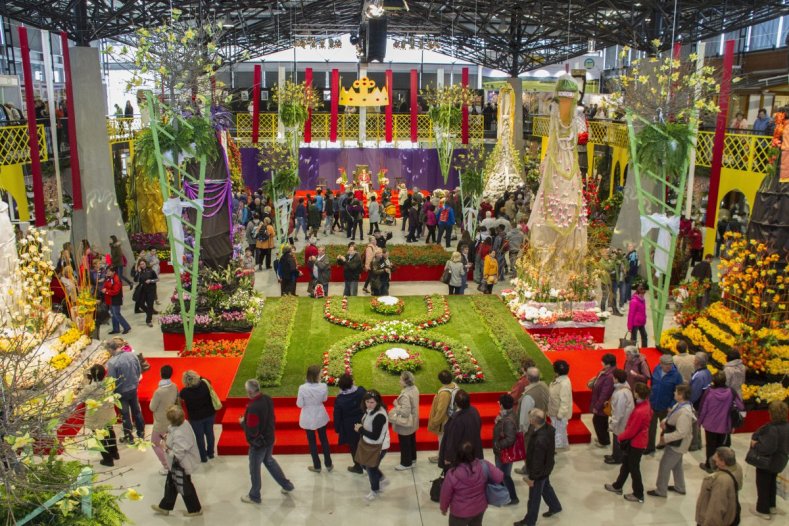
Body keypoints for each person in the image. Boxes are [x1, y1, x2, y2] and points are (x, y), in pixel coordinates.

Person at [240, 379, 295, 504]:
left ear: (249, 391)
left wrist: (243, 423)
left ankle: (254, 495)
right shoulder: (267, 399)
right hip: (269, 438)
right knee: (269, 461)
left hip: (258, 444)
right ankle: (287, 485)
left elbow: (252, 431)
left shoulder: (253, 407)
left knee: (254, 468)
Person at [604, 382, 653, 504]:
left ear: (637, 393)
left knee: (633, 468)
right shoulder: (646, 405)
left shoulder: (640, 411)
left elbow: (632, 430)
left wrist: (620, 437)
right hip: (638, 441)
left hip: (636, 443)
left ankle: (638, 494)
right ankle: (617, 486)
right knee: (626, 465)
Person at [150, 405, 203, 517]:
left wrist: (165, 447)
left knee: (185, 487)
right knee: (171, 484)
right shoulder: (184, 423)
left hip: (181, 465)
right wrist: (167, 436)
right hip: (176, 466)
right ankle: (165, 507)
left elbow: (178, 454)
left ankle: (195, 510)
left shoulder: (180, 435)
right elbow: (173, 433)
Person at [513, 409, 562, 526]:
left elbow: (537, 462)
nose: (529, 419)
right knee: (546, 487)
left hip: (539, 472)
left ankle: (529, 521)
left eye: (530, 418)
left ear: (534, 421)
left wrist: (532, 478)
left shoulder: (540, 439)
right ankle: (555, 506)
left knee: (534, 498)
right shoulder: (547, 428)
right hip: (547, 467)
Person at [441, 441, 505, 525]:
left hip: (459, 512)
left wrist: (443, 508)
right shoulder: (484, 465)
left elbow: (445, 494)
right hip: (479, 508)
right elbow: (499, 477)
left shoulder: (452, 473)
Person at [647, 383, 695, 498]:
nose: (674, 393)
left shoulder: (685, 413)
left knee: (665, 465)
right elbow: (671, 415)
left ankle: (661, 490)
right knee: (677, 465)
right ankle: (680, 486)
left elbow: (681, 432)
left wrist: (665, 438)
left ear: (681, 395)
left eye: (676, 392)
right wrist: (664, 421)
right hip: (675, 443)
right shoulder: (680, 405)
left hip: (677, 444)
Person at [749, 400, 789, 519]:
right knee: (772, 483)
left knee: (763, 485)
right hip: (780, 460)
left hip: (767, 462)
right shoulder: (787, 427)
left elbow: (767, 448)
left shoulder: (771, 429)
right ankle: (772, 505)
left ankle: (762, 510)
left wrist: (755, 444)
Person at [698, 372, 744, 473]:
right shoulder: (731, 392)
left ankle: (709, 466)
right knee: (722, 447)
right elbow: (741, 406)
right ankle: (722, 466)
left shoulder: (708, 392)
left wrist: (699, 423)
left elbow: (703, 409)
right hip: (724, 425)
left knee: (710, 446)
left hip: (710, 425)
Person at [353, 389, 391, 501]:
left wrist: (360, 429)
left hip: (378, 446)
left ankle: (375, 490)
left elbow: (375, 436)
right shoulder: (370, 410)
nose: (369, 404)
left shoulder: (380, 415)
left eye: (372, 402)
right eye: (367, 402)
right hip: (368, 443)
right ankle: (381, 478)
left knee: (370, 468)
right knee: (363, 464)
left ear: (378, 402)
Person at [106, 339, 144, 442]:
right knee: (137, 411)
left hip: (121, 392)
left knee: (125, 414)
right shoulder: (132, 355)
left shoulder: (112, 363)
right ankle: (141, 433)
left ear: (111, 349)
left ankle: (129, 436)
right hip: (133, 388)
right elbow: (139, 370)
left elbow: (111, 381)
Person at [81, 364, 119, 467]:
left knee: (100, 437)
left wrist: (85, 380)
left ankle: (107, 459)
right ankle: (114, 453)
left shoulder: (89, 388)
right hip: (108, 413)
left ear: (92, 376)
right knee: (110, 432)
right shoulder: (109, 385)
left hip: (96, 417)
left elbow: (81, 398)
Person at [297, 365, 333, 472]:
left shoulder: (302, 388)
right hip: (319, 414)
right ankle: (329, 464)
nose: (322, 375)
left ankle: (317, 466)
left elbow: (299, 404)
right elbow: (325, 399)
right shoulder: (323, 386)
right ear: (316, 375)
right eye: (320, 373)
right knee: (324, 440)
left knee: (312, 442)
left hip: (308, 416)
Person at [695, 447, 743, 526]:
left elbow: (716, 509)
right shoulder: (737, 467)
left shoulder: (720, 481)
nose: (714, 459)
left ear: (722, 462)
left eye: (716, 457)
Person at [646, 354, 684, 454]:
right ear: (661, 364)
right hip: (653, 404)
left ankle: (663, 443)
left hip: (666, 407)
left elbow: (679, 392)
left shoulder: (676, 376)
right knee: (650, 427)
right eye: (666, 365)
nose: (668, 367)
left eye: (670, 364)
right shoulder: (656, 369)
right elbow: (653, 383)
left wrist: (671, 405)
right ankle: (649, 447)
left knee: (665, 427)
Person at [179, 370, 217, 464]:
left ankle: (203, 456)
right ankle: (211, 453)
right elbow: (205, 378)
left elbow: (180, 401)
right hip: (209, 414)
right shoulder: (204, 384)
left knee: (199, 437)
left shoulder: (184, 392)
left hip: (195, 418)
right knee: (210, 433)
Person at [439, 390, 483, 468]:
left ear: (456, 403)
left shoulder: (457, 419)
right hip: (473, 451)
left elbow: (452, 440)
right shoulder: (474, 410)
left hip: (461, 456)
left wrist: (448, 458)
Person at [333, 373, 367, 473]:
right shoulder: (361, 391)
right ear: (352, 382)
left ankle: (358, 466)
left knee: (353, 446)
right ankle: (366, 464)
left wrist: (337, 428)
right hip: (362, 421)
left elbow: (337, 415)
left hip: (349, 427)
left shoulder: (340, 399)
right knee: (364, 443)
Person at [149, 365, 179, 475]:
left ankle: (166, 466)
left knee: (154, 443)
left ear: (161, 374)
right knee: (168, 443)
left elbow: (152, 408)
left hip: (161, 422)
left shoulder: (158, 392)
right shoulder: (174, 386)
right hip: (172, 419)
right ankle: (173, 462)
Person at [493, 394, 519, 505]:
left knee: (504, 475)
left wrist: (498, 445)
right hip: (504, 451)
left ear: (502, 405)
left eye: (499, 403)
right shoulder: (510, 414)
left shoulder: (508, 420)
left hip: (503, 451)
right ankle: (505, 494)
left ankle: (513, 498)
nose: (498, 404)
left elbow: (510, 439)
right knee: (503, 474)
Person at [390, 371, 420, 470]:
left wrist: (396, 405)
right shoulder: (415, 389)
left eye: (401, 379)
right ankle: (413, 459)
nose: (399, 381)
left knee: (405, 443)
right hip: (413, 420)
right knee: (411, 440)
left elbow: (405, 412)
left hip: (406, 424)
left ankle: (406, 463)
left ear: (406, 381)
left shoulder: (405, 395)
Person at [428, 370, 459, 464]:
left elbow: (441, 410)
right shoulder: (455, 386)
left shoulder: (444, 393)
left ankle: (441, 457)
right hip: (452, 417)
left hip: (445, 421)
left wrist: (434, 422)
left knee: (442, 440)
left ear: (441, 380)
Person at [606, 369, 635, 465]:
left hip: (621, 421)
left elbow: (619, 411)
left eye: (613, 378)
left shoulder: (621, 393)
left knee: (618, 439)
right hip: (623, 420)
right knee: (617, 438)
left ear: (617, 379)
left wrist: (612, 424)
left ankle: (617, 458)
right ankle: (615, 455)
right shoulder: (623, 388)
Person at [589, 353, 617, 448]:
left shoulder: (609, 376)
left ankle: (604, 441)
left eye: (603, 362)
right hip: (600, 401)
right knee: (602, 421)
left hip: (602, 404)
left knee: (598, 421)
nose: (601, 363)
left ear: (608, 364)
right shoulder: (606, 372)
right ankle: (604, 438)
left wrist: (597, 406)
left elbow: (604, 394)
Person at [689, 352, 713, 451]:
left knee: (694, 425)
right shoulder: (707, 372)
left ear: (698, 361)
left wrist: (689, 402)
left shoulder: (699, 376)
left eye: (695, 359)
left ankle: (694, 444)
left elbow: (695, 393)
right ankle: (697, 443)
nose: (693, 360)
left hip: (697, 404)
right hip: (703, 403)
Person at [547, 360, 572, 451]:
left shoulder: (564, 383)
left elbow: (565, 401)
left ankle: (557, 447)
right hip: (555, 410)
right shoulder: (560, 379)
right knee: (559, 430)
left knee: (558, 431)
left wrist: (560, 414)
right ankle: (561, 445)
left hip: (558, 413)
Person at [103, 267, 131, 335]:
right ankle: (116, 329)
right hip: (111, 298)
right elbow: (107, 285)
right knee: (113, 314)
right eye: (107, 271)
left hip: (115, 299)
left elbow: (115, 291)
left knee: (116, 314)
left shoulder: (116, 279)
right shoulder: (110, 278)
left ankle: (126, 327)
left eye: (109, 271)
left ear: (113, 272)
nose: (108, 273)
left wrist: (106, 291)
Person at [132, 258, 158, 327]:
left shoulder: (151, 271)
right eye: (140, 264)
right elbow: (136, 280)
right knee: (140, 303)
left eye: (143, 264)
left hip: (151, 290)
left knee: (150, 305)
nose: (142, 265)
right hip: (142, 290)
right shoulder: (139, 272)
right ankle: (149, 312)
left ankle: (148, 320)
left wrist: (151, 281)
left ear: (146, 263)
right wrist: (138, 272)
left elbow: (157, 279)